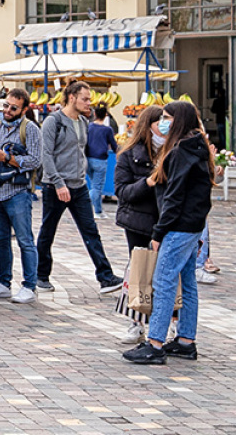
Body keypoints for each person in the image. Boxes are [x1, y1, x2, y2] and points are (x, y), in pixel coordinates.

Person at [123, 100, 213, 364]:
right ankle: (186, 341)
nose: (162, 121)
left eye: (166, 117)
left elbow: (174, 197)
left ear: (178, 120)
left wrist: (159, 233)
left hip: (177, 227)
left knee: (163, 283)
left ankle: (155, 344)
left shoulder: (180, 152)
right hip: (193, 226)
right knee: (188, 283)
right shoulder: (198, 148)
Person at [36, 81, 123, 294]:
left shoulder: (84, 122)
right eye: (85, 98)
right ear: (72, 97)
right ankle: (41, 275)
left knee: (91, 230)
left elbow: (83, 152)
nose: (88, 103)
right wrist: (58, 183)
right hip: (55, 186)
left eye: (89, 99)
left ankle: (105, 276)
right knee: (48, 231)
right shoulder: (53, 122)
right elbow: (45, 155)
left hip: (79, 185)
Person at [0, 88, 41, 304]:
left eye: (13, 107)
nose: (8, 110)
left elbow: (35, 160)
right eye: (6, 105)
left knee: (25, 240)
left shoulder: (30, 129)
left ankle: (29, 286)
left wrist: (7, 158)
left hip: (18, 192)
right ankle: (4, 283)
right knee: (1, 240)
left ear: (23, 110)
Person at [113, 105, 167, 344]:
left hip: (166, 221)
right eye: (161, 121)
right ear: (150, 125)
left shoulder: (173, 151)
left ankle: (171, 322)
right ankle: (135, 323)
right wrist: (148, 182)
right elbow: (123, 192)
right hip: (138, 221)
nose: (166, 126)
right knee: (139, 272)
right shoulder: (130, 154)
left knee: (166, 275)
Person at [87, 106, 118, 218]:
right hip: (100, 160)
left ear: (94, 114)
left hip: (88, 159)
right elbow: (114, 145)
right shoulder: (107, 130)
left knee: (94, 185)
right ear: (106, 115)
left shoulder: (89, 127)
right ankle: (96, 211)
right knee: (97, 187)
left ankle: (98, 209)